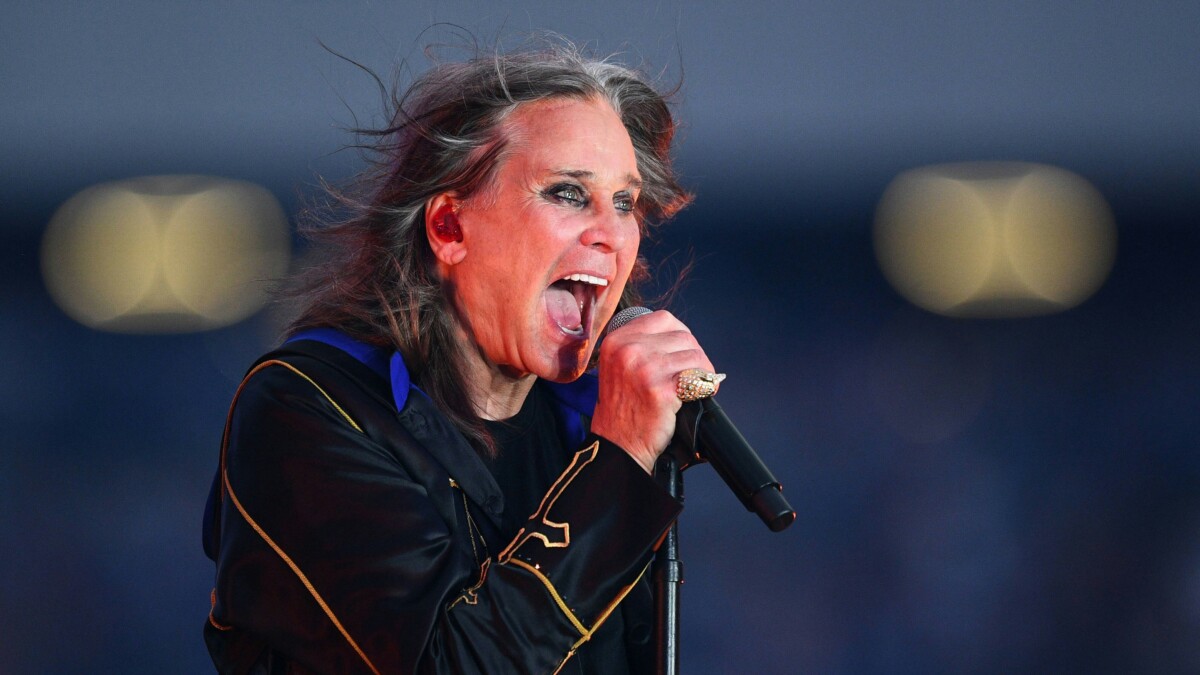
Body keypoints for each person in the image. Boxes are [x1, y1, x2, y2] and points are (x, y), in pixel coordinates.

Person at [202, 40, 722, 674]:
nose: (612, 234)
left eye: (624, 202)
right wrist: (619, 463)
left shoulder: (585, 423)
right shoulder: (308, 409)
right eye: (567, 193)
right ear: (449, 227)